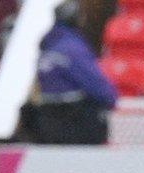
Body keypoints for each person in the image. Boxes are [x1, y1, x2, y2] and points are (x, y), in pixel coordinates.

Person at [33, 0, 117, 144]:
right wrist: (110, 98)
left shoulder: (48, 46)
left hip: (48, 123)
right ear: (77, 19)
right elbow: (98, 87)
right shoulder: (72, 48)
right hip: (73, 123)